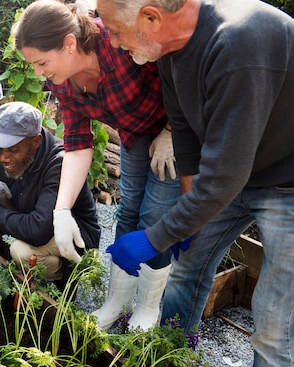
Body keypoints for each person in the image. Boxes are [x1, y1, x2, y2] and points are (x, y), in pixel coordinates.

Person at [95, 0, 294, 367]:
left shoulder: (240, 41)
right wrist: (186, 215)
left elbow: (223, 178)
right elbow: (185, 134)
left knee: (275, 329)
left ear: (151, 17)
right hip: (238, 172)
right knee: (185, 269)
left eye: (114, 31)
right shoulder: (170, 52)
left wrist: (155, 236)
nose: (110, 42)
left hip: (286, 183)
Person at [11, 0, 180, 330]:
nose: (37, 72)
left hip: (173, 134)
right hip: (134, 134)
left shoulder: (119, 41)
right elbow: (77, 142)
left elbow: (176, 73)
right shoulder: (62, 79)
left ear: (69, 44)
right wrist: (61, 212)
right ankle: (116, 302)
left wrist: (172, 130)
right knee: (129, 210)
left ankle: (147, 308)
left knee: (155, 215)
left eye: (41, 62)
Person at [0, 101, 100, 281]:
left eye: (13, 149)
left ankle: (59, 278)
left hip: (68, 233)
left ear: (35, 142)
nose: (4, 157)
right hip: (27, 213)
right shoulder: (8, 146)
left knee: (21, 252)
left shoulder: (58, 163)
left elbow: (38, 231)